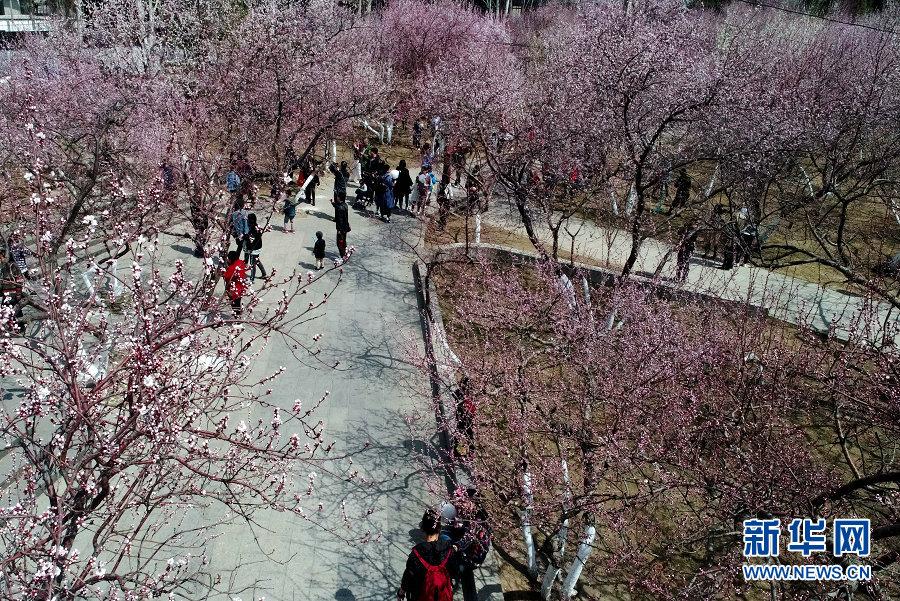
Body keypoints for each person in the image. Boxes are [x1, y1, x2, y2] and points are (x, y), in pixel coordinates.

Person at [398, 509, 457, 601]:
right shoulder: (448, 550)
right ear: (440, 528)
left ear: (422, 529)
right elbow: (453, 572)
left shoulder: (417, 553)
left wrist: (401, 593)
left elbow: (408, 577)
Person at [0, 251, 25, 335]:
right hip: (5, 293)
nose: (1, 260)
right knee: (5, 310)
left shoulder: (13, 266)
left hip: (13, 293)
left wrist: (18, 293)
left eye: (2, 258)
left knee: (16, 310)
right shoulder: (2, 267)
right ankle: (9, 326)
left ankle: (20, 326)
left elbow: (19, 280)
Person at [243, 213, 267, 283]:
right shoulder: (256, 226)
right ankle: (264, 274)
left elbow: (251, 240)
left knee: (252, 264)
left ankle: (252, 279)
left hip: (254, 249)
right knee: (257, 261)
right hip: (257, 247)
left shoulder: (253, 229)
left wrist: (245, 237)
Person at [223, 250, 247, 317]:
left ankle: (237, 317)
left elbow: (227, 277)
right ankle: (238, 315)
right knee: (238, 303)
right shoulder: (241, 263)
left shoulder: (232, 268)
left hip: (234, 290)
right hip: (241, 287)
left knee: (234, 305)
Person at [333, 194, 351, 259]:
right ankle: (345, 252)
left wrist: (339, 230)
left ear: (339, 198)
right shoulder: (345, 205)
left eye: (337, 196)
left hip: (341, 228)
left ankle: (342, 255)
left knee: (340, 242)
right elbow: (338, 207)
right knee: (344, 240)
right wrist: (333, 203)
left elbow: (340, 220)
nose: (337, 197)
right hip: (345, 226)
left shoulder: (341, 208)